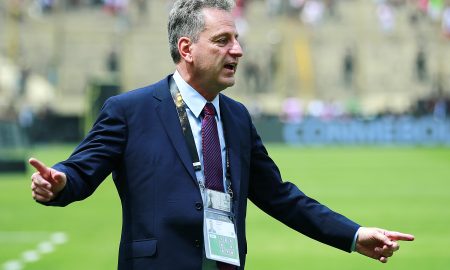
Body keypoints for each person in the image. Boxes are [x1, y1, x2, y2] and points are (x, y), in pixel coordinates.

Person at [29, 0, 414, 269]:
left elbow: (280, 197)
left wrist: (353, 234)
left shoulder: (237, 118)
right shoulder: (130, 111)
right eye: (223, 41)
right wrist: (59, 183)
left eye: (237, 39)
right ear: (187, 48)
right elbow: (80, 170)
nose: (238, 50)